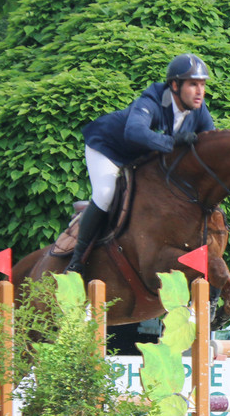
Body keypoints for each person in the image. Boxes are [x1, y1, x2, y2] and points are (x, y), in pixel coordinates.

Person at [66, 53, 216, 273]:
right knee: (106, 194)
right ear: (175, 85)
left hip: (139, 158)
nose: (200, 91)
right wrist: (173, 142)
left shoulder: (199, 110)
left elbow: (210, 144)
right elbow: (135, 131)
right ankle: (77, 261)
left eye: (202, 84)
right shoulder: (153, 100)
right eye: (193, 84)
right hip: (109, 148)